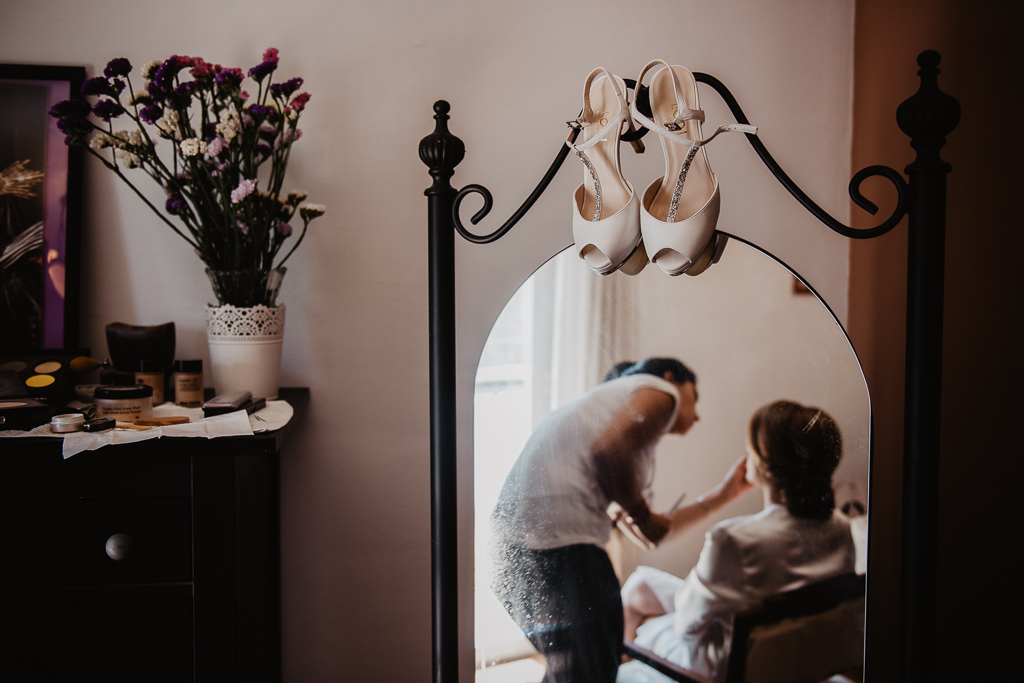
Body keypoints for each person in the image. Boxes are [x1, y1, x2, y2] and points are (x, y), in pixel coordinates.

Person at [490, 358, 751, 683]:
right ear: (670, 377)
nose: (696, 415)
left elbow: (652, 535)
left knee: (572, 670)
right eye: (694, 396)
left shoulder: (599, 430)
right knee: (592, 669)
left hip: (512, 550)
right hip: (556, 543)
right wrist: (641, 513)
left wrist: (725, 494)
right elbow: (610, 455)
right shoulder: (662, 391)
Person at [618, 400, 857, 683]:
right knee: (641, 584)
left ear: (765, 466)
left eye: (751, 449)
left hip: (722, 667)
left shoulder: (733, 540)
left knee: (641, 606)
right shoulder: (841, 527)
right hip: (793, 653)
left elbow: (687, 624)